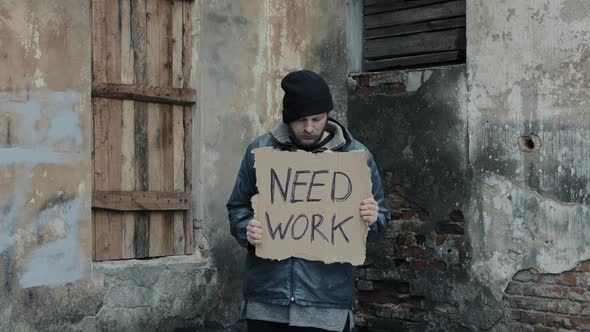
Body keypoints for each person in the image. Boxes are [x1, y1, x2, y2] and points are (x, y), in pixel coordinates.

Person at [226, 70, 390, 332]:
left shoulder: (356, 156)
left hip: (327, 304)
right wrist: (247, 228)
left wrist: (372, 218)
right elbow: (238, 206)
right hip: (268, 301)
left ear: (328, 115)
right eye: (301, 120)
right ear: (287, 117)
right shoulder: (260, 151)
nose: (310, 127)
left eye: (317, 118)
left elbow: (381, 220)